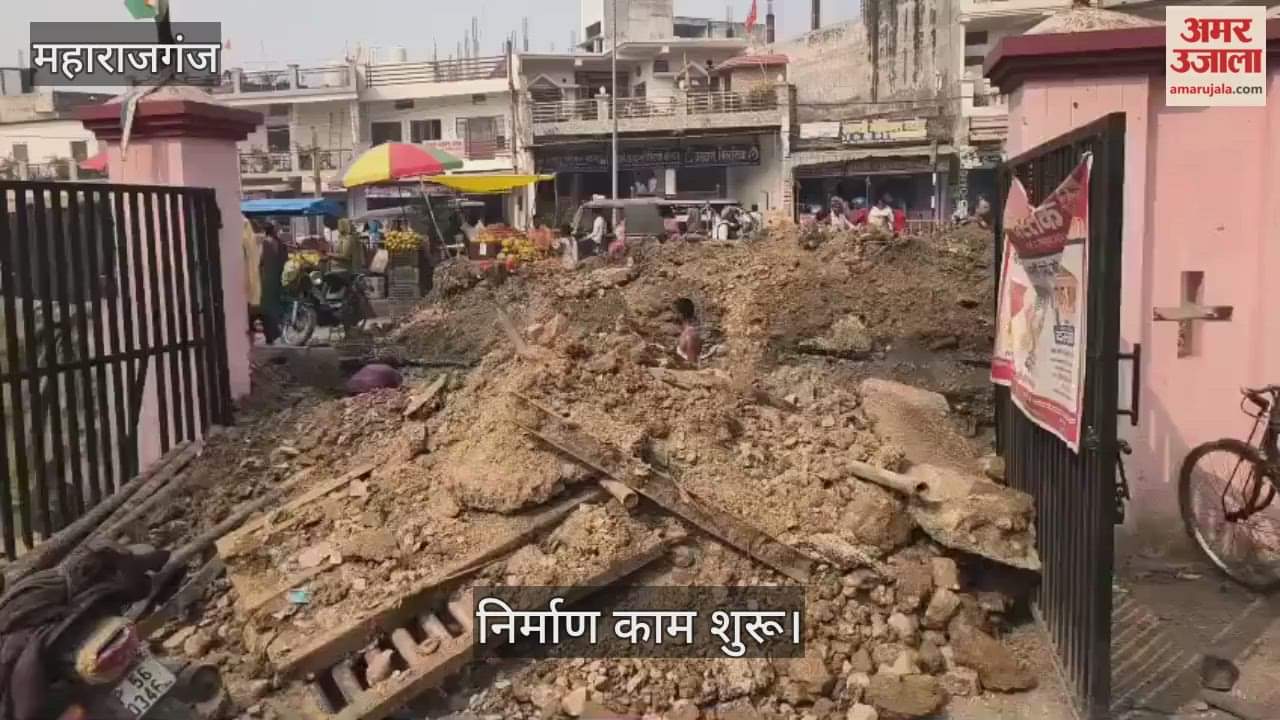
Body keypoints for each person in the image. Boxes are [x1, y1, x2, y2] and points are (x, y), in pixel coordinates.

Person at [259, 222, 287, 345]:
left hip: (266, 279)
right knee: (275, 306)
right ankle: (276, 332)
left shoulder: (265, 243)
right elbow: (284, 259)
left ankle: (271, 335)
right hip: (278, 277)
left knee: (267, 308)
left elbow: (260, 261)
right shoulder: (279, 242)